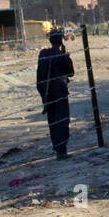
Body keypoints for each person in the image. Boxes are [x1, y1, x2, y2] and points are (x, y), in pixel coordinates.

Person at [35, 30, 74, 159]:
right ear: (61, 40)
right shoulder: (61, 55)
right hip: (60, 91)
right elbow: (71, 72)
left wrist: (43, 94)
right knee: (62, 120)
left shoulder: (43, 54)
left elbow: (39, 75)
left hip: (47, 92)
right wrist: (65, 54)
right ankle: (62, 150)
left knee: (52, 121)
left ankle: (57, 148)